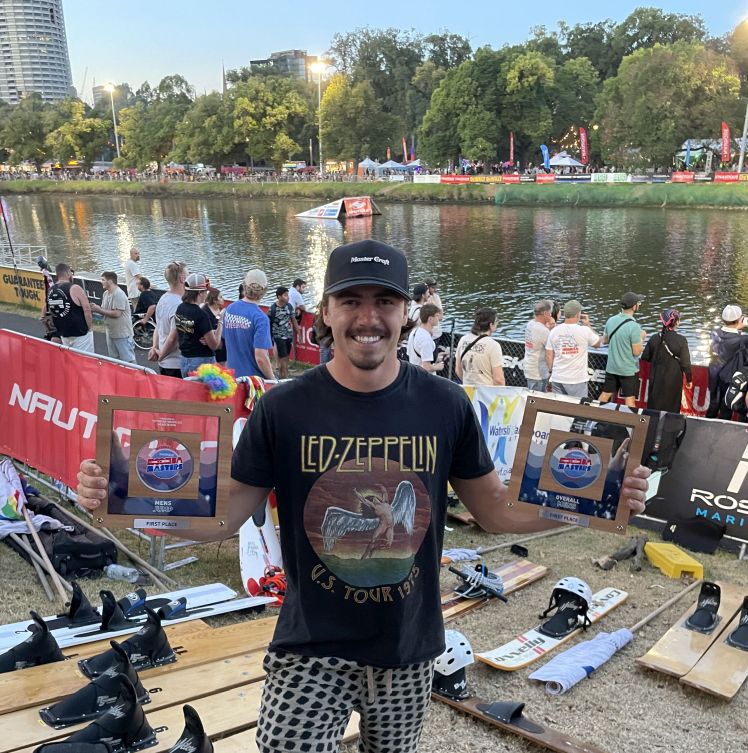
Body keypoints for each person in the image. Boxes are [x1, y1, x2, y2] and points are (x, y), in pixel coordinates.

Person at [76, 239, 650, 753]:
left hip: (409, 643)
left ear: (406, 313)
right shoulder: (283, 408)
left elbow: (496, 510)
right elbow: (224, 518)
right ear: (325, 312)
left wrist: (598, 503)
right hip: (310, 643)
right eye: (351, 300)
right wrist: (125, 504)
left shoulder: (447, 404)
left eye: (385, 301)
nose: (368, 317)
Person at [223, 269, 275, 379]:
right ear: (264, 290)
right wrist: (272, 380)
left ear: (244, 286)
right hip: (253, 384)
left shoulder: (230, 309)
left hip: (233, 379)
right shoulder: (260, 318)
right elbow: (261, 357)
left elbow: (226, 341)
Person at [598, 292, 647, 408]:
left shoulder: (611, 320)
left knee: (605, 395)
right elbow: (636, 352)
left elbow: (605, 340)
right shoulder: (634, 326)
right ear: (634, 307)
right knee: (629, 400)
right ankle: (630, 425)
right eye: (638, 303)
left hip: (612, 367)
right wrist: (641, 337)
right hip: (628, 370)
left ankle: (593, 419)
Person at [546, 299, 603, 399]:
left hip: (558, 377)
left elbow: (549, 355)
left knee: (559, 409)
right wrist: (588, 325)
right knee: (578, 410)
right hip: (576, 380)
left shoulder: (554, 331)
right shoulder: (584, 330)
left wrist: (551, 372)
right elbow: (598, 344)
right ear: (578, 315)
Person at [641, 308, 692, 413]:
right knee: (672, 411)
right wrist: (689, 379)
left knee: (653, 411)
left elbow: (645, 357)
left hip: (656, 379)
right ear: (677, 322)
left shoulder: (654, 338)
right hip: (674, 380)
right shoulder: (681, 340)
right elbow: (686, 363)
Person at [706, 304, 748, 420]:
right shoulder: (742, 340)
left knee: (713, 406)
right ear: (739, 320)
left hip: (714, 377)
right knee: (726, 410)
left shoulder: (714, 333)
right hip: (730, 380)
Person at [175, 273, 221, 377]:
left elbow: (189, 331)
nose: (207, 294)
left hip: (184, 360)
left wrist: (209, 333)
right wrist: (221, 323)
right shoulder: (201, 315)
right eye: (206, 291)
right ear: (200, 293)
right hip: (202, 363)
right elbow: (214, 345)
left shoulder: (180, 308)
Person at [149, 261, 188, 378]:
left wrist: (154, 347)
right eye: (188, 275)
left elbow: (158, 326)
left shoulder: (163, 299)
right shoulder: (179, 305)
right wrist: (161, 355)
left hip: (164, 362)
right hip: (176, 364)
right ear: (182, 278)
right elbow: (174, 337)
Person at [47, 263, 94, 352]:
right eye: (71, 272)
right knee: (85, 360)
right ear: (68, 273)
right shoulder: (75, 288)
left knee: (70, 359)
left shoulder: (50, 290)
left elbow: (52, 310)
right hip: (80, 333)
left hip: (64, 332)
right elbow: (87, 309)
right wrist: (89, 328)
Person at [90, 272, 135, 363]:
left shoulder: (119, 294)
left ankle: (136, 377)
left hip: (122, 334)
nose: (101, 282)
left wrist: (98, 310)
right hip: (110, 333)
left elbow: (117, 313)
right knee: (114, 360)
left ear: (110, 281)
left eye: (103, 280)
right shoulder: (105, 294)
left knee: (129, 362)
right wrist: (95, 308)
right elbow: (104, 311)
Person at [455, 307, 505, 386]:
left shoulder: (463, 339)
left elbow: (458, 370)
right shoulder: (493, 346)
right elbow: (498, 379)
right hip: (486, 393)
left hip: (468, 390)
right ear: (491, 325)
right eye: (496, 321)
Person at [268, 286, 300, 379]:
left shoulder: (289, 307)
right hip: (278, 336)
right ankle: (284, 376)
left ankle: (283, 373)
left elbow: (293, 320)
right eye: (285, 295)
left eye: (288, 295)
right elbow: (268, 323)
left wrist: (299, 333)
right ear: (279, 297)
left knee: (286, 357)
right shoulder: (272, 309)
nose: (288, 297)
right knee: (282, 356)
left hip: (288, 335)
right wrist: (270, 337)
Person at [523, 299, 554, 392]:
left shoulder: (530, 324)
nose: (551, 315)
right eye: (550, 313)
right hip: (539, 374)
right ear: (545, 313)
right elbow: (551, 351)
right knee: (537, 402)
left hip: (530, 368)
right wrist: (551, 371)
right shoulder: (543, 331)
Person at [406, 303, 444, 373]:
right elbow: (426, 367)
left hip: (413, 374)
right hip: (424, 379)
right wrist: (438, 367)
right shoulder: (426, 339)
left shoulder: (414, 332)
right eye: (436, 316)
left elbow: (412, 355)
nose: (438, 318)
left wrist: (435, 357)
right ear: (430, 319)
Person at [204, 288, 227, 365]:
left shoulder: (221, 310)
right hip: (212, 349)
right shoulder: (205, 312)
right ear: (214, 300)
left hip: (223, 349)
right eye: (220, 297)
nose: (223, 299)